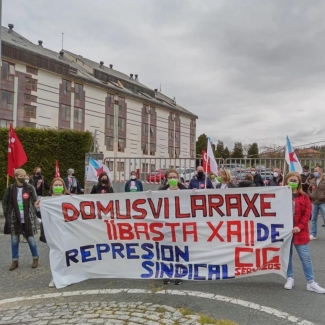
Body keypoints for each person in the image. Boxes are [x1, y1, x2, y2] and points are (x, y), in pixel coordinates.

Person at [283, 172, 325, 293]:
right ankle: (289, 278)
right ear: (286, 181)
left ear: (299, 182)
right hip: (285, 232)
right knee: (287, 257)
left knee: (305, 257)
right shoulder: (280, 195)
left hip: (299, 232)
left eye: (295, 180)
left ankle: (311, 282)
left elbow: (307, 215)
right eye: (291, 180)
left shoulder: (305, 196)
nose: (293, 182)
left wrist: (299, 227)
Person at [2, 169, 39, 271]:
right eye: (21, 176)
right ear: (16, 177)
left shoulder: (30, 188)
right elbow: (5, 201)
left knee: (31, 239)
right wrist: (7, 213)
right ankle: (15, 261)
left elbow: (35, 201)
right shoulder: (10, 188)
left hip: (28, 218)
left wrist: (35, 209)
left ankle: (35, 258)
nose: (24, 177)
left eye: (24, 175)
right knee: (14, 240)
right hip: (14, 218)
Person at [35, 177, 68, 288]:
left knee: (65, 255)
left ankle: (66, 275)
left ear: (63, 187)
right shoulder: (46, 200)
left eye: (60, 185)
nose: (58, 187)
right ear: (52, 187)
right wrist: (38, 208)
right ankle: (55, 277)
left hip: (65, 232)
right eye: (56, 185)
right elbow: (40, 216)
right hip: (52, 233)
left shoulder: (68, 199)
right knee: (55, 254)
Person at [159, 168, 187, 285]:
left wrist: (195, 193)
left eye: (174, 177)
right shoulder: (161, 192)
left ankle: (179, 273)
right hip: (166, 226)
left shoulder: (186, 191)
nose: (172, 179)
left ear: (178, 178)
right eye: (170, 177)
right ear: (166, 179)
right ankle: (167, 273)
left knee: (179, 250)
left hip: (180, 226)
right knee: (166, 250)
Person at [308, 166, 325, 240]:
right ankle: (313, 234)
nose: (315, 172)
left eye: (316, 171)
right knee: (313, 219)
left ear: (321, 171)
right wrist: (311, 195)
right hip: (314, 202)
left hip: (323, 202)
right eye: (314, 171)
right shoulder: (313, 180)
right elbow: (309, 189)